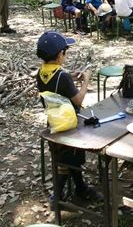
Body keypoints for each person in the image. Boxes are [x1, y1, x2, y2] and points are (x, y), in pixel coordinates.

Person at [35, 31, 102, 205]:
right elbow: (78, 99)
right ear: (60, 55)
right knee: (67, 162)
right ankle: (56, 197)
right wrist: (86, 81)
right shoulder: (62, 77)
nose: (66, 55)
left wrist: (71, 77)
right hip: (68, 124)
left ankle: (80, 188)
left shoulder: (42, 73)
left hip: (53, 121)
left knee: (66, 159)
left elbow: (57, 81)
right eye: (65, 52)